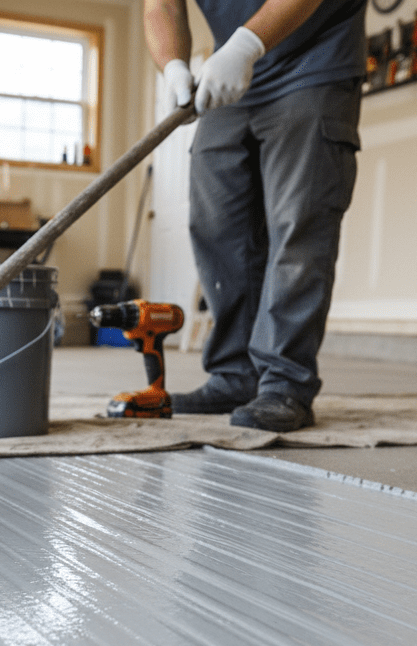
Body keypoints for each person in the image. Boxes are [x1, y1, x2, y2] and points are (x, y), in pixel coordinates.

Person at [144, 0, 367, 431]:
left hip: (314, 62)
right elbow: (163, 7)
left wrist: (246, 45)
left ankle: (286, 383)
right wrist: (173, 65)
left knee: (298, 226)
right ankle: (235, 375)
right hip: (228, 74)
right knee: (216, 224)